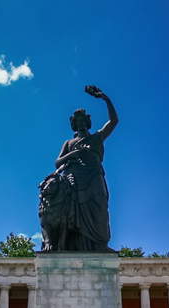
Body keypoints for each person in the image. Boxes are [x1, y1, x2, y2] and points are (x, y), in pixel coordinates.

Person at [39, 85, 119, 251]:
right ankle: (70, 245)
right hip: (74, 179)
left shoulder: (97, 137)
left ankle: (99, 245)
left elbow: (113, 121)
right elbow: (57, 162)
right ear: (74, 125)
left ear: (88, 122)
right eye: (78, 122)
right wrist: (73, 155)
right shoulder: (69, 143)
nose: (81, 123)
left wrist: (105, 99)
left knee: (100, 210)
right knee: (73, 213)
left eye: (84, 121)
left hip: (94, 177)